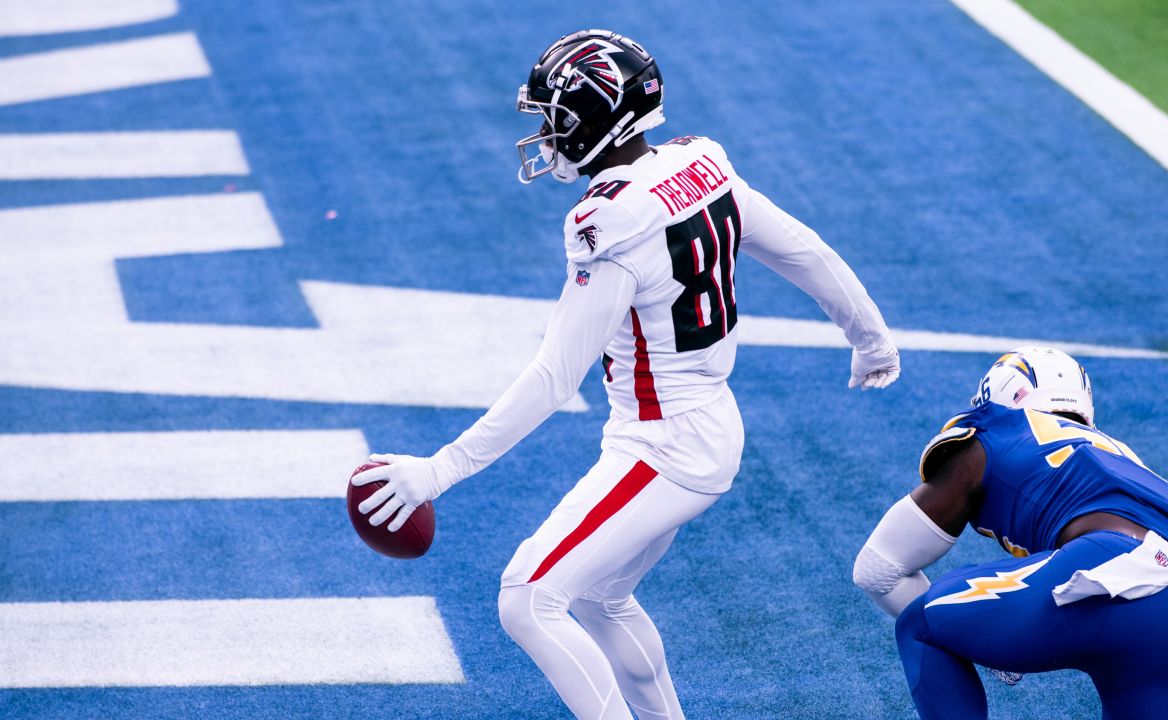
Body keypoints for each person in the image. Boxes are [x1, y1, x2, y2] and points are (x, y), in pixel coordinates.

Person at [354, 29, 900, 720]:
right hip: (698, 424)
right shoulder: (702, 165)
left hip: (663, 443)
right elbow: (804, 250)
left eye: (557, 119)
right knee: (600, 598)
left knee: (527, 596)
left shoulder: (610, 221)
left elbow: (556, 377)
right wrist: (871, 338)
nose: (548, 136)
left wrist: (440, 470)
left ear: (600, 118)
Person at [853, 347, 1168, 720]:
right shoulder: (1124, 457)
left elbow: (877, 569)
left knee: (921, 625)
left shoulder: (997, 429)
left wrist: (980, 639)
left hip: (1106, 561)